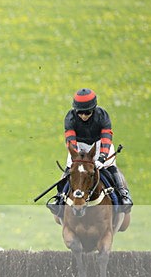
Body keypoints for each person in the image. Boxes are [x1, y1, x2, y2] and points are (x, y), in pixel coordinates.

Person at [48, 88, 133, 217]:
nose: (83, 116)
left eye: (87, 113)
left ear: (93, 109)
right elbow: (70, 140)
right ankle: (59, 198)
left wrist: (102, 158)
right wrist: (77, 158)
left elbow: (106, 137)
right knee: (71, 169)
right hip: (78, 147)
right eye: (80, 113)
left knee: (111, 167)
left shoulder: (102, 115)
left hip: (99, 145)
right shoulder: (70, 118)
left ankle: (123, 194)